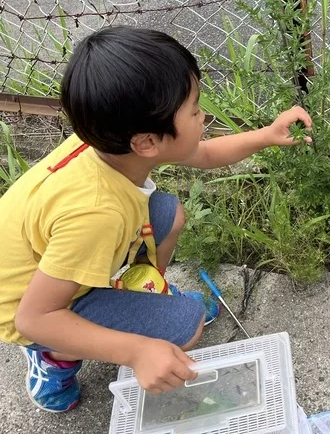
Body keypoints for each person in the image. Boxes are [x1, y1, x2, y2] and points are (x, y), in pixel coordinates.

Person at [0, 26, 313, 412]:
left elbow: (206, 154)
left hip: (55, 265)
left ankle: (138, 297)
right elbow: (34, 317)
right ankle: (53, 359)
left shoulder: (107, 139)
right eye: (195, 110)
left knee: (168, 213)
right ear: (147, 142)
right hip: (30, 310)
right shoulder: (96, 213)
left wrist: (267, 135)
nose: (204, 117)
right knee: (184, 325)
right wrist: (137, 351)